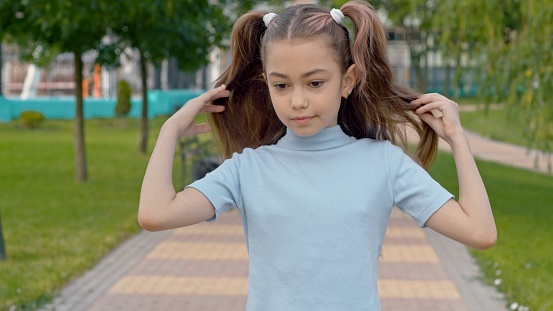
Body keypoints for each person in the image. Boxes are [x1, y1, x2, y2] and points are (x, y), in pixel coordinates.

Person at [138, 1, 496, 310]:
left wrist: (457, 138)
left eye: (315, 83)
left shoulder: (385, 163)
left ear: (348, 80)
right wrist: (170, 129)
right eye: (282, 85)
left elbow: (479, 231)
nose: (298, 101)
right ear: (266, 83)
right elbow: (155, 214)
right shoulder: (248, 169)